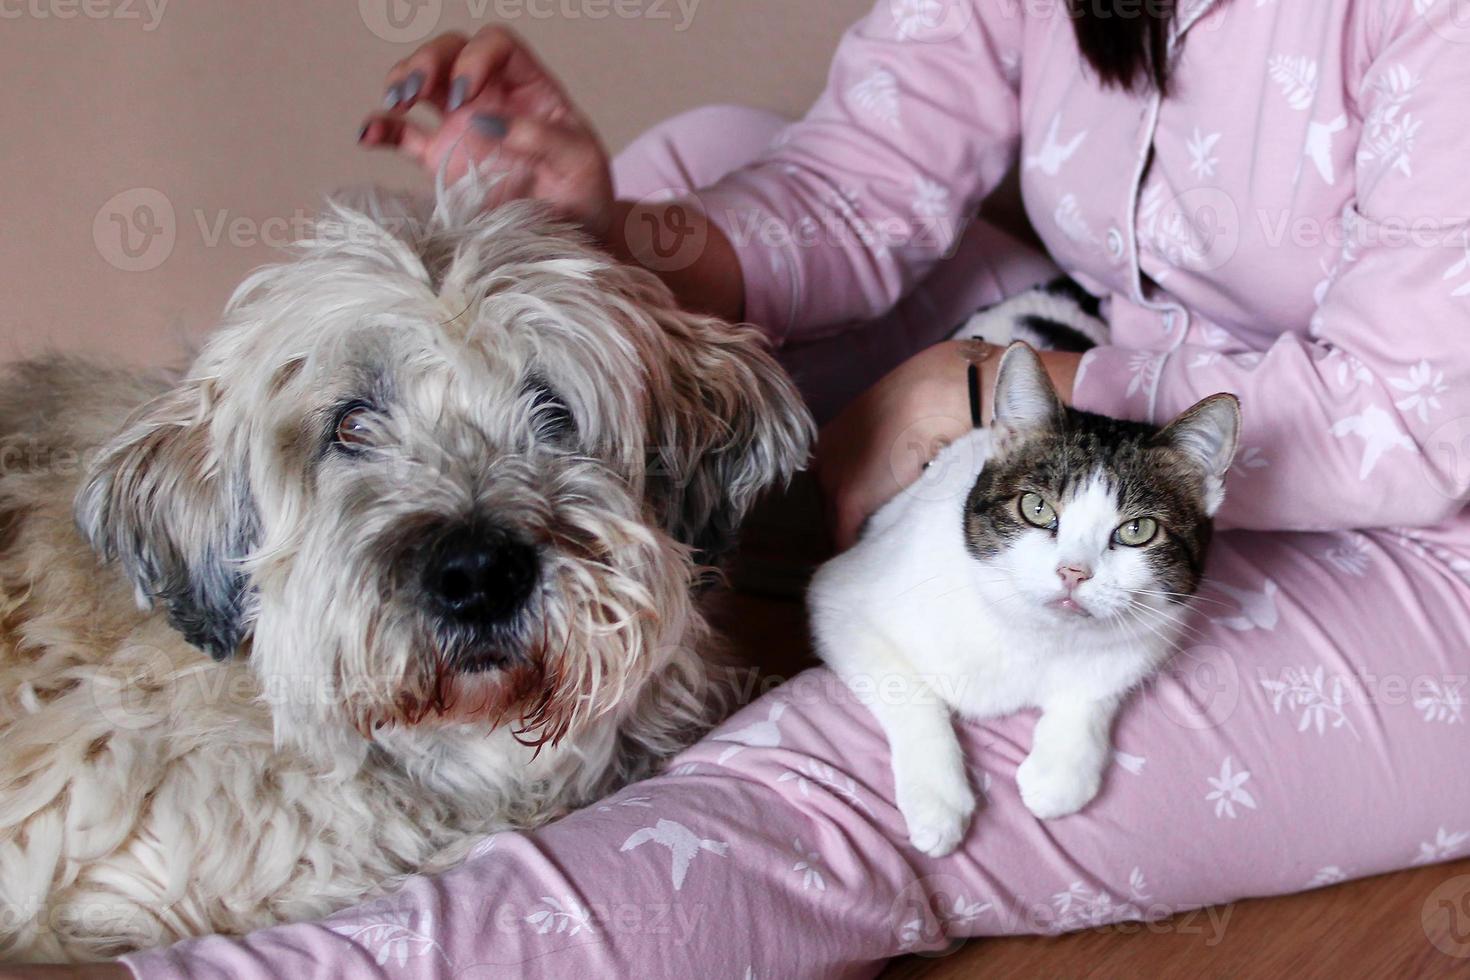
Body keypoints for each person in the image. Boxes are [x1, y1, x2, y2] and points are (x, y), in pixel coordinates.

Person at [23, 1, 1470, 976]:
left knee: (840, 779)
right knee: (701, 164)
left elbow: (1412, 412)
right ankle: (669, 576)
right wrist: (599, 233)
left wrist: (974, 393)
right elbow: (853, 184)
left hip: (1404, 506)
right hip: (1114, 359)